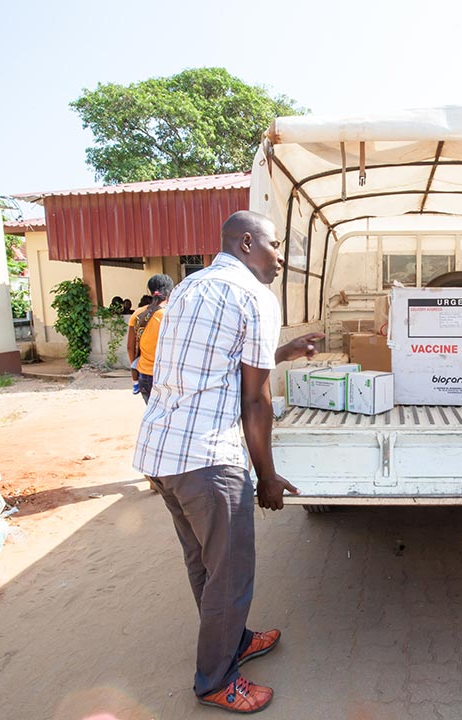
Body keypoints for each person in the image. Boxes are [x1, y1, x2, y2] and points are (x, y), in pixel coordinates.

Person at [133, 210, 324, 714]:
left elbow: (215, 361)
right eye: (275, 245)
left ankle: (232, 641)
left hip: (164, 453)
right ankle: (217, 679)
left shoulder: (192, 287)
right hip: (208, 460)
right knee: (231, 573)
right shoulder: (254, 294)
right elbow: (254, 400)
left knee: (205, 565)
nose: (281, 257)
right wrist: (267, 477)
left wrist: (283, 351)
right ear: (246, 242)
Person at [127, 274, 175, 403]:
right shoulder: (171, 315)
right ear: (171, 292)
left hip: (145, 375)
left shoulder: (138, 314)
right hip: (167, 374)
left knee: (152, 415)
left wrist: (135, 370)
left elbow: (130, 347)